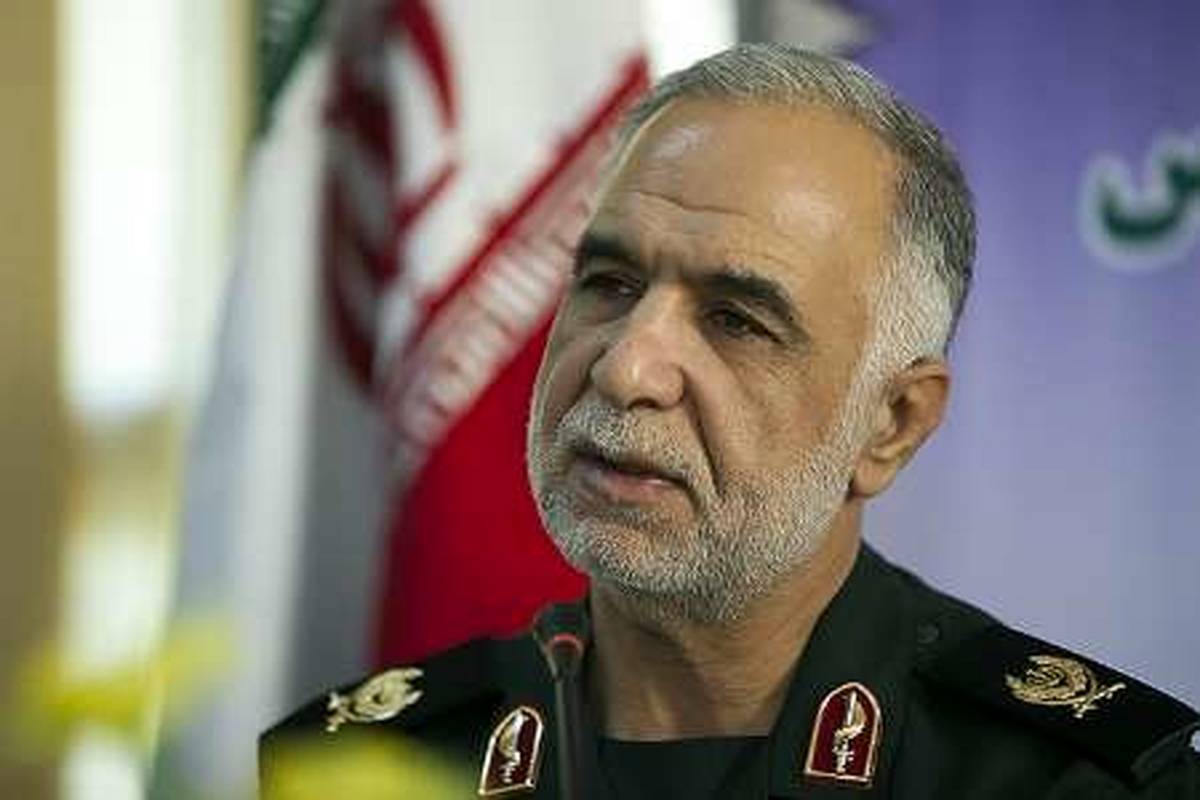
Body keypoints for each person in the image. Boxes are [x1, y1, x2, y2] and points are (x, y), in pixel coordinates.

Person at [260, 44, 1199, 798]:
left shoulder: (1072, 780)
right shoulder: (365, 768)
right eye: (609, 282)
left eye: (737, 320)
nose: (626, 368)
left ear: (893, 423)